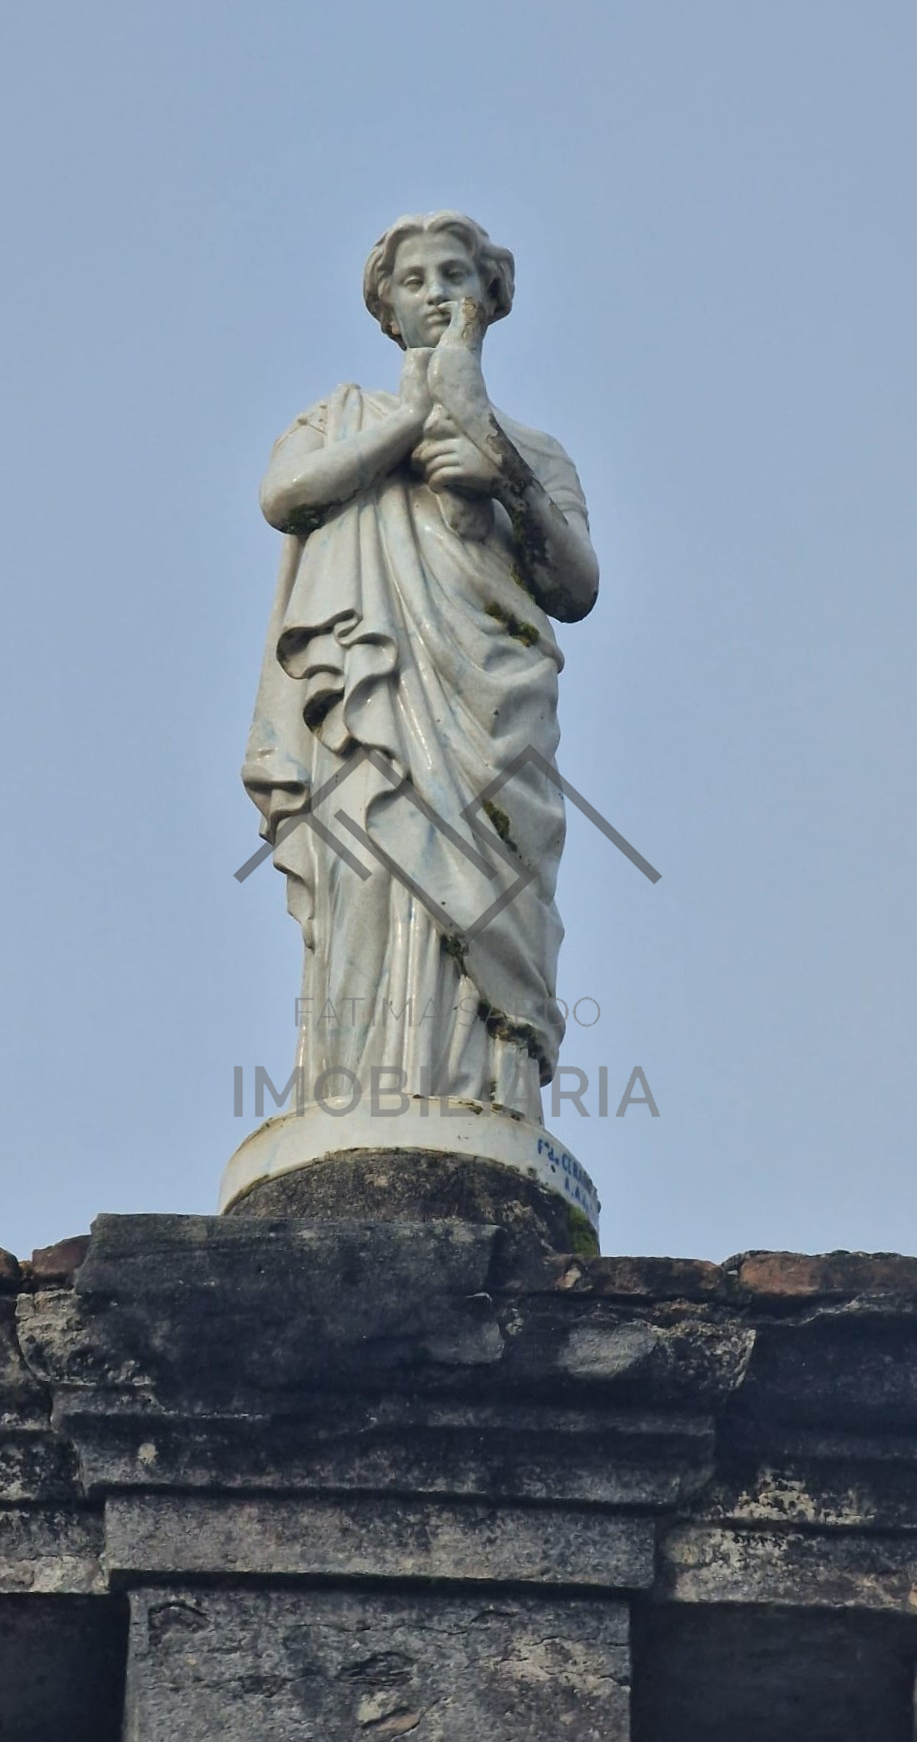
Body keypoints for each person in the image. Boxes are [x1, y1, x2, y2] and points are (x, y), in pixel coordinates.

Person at [243, 212, 598, 1122]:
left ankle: (490, 1097)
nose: (436, 294)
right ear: (386, 308)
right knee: (369, 869)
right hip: (375, 709)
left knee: (496, 889)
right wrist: (406, 426)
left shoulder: (536, 451)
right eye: (414, 280)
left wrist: (499, 473)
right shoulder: (340, 421)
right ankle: (357, 1097)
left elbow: (577, 586)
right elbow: (284, 496)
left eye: (454, 275)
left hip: (493, 708)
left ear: (489, 296)